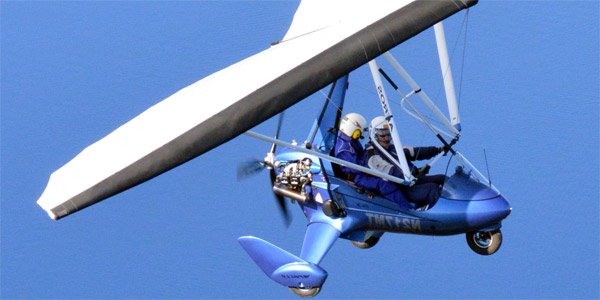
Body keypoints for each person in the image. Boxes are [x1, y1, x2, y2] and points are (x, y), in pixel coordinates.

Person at [365, 116, 447, 210]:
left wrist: (437, 150)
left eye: (389, 134)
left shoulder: (392, 148)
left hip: (413, 181)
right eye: (382, 135)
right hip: (402, 188)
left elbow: (414, 152)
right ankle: (431, 214)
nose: (387, 138)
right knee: (432, 188)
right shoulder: (372, 156)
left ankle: (462, 204)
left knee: (443, 179)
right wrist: (410, 174)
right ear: (374, 135)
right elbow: (391, 172)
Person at [334, 113, 410, 210]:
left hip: (362, 174)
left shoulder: (351, 141)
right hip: (357, 178)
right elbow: (355, 168)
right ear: (354, 130)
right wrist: (369, 161)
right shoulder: (344, 149)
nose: (360, 135)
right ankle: (406, 209)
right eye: (359, 132)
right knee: (384, 182)